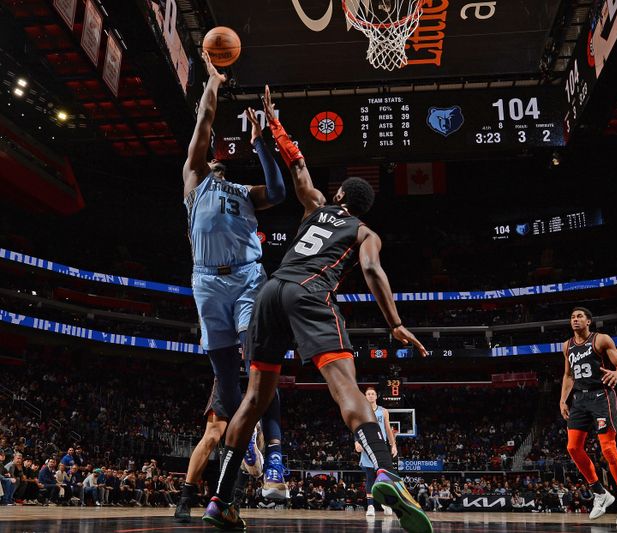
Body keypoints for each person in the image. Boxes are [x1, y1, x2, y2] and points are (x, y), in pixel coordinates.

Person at [202, 84, 432, 533]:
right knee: (345, 386)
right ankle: (385, 471)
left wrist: (274, 124)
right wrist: (396, 324)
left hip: (271, 290)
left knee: (253, 400)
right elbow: (373, 274)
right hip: (310, 293)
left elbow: (299, 166)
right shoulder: (365, 232)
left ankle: (221, 500)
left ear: (341, 192)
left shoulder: (317, 204)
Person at [175, 51, 287, 523]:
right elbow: (202, 125)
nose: (216, 159)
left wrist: (263, 144)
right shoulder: (195, 181)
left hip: (245, 281)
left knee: (257, 363)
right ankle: (247, 452)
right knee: (225, 384)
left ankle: (275, 450)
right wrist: (213, 85)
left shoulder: (245, 193)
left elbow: (279, 191)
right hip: (205, 284)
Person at [559, 306, 617, 525]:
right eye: (572, 316)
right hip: (579, 400)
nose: (575, 319)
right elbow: (567, 375)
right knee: (573, 448)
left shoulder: (600, 340)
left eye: (579, 316)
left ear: (589, 321)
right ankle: (600, 492)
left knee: (608, 448)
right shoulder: (567, 346)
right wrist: (563, 400)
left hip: (601, 396)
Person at [356, 386, 396, 516]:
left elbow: (388, 429)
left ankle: (385, 504)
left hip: (380, 447)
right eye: (368, 394)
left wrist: (393, 445)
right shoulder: (361, 411)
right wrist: (356, 441)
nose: (371, 396)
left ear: (376, 396)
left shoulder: (383, 411)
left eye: (373, 393)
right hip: (367, 446)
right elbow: (356, 427)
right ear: (365, 396)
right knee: (370, 478)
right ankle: (371, 506)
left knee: (383, 477)